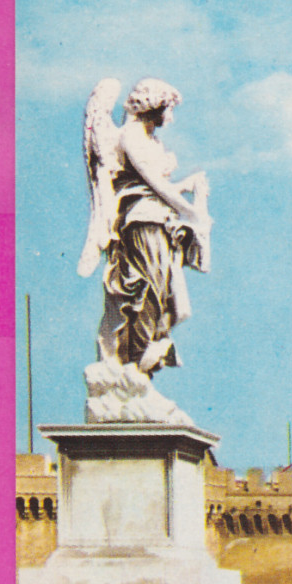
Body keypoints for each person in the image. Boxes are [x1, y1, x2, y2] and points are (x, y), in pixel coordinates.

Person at [81, 77, 211, 377]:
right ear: (156, 105)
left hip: (159, 222)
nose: (171, 116)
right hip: (141, 224)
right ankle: (137, 358)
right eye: (169, 108)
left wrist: (188, 187)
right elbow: (155, 185)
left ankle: (141, 361)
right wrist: (193, 212)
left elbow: (159, 189)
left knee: (171, 300)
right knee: (148, 291)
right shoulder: (130, 136)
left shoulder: (151, 140)